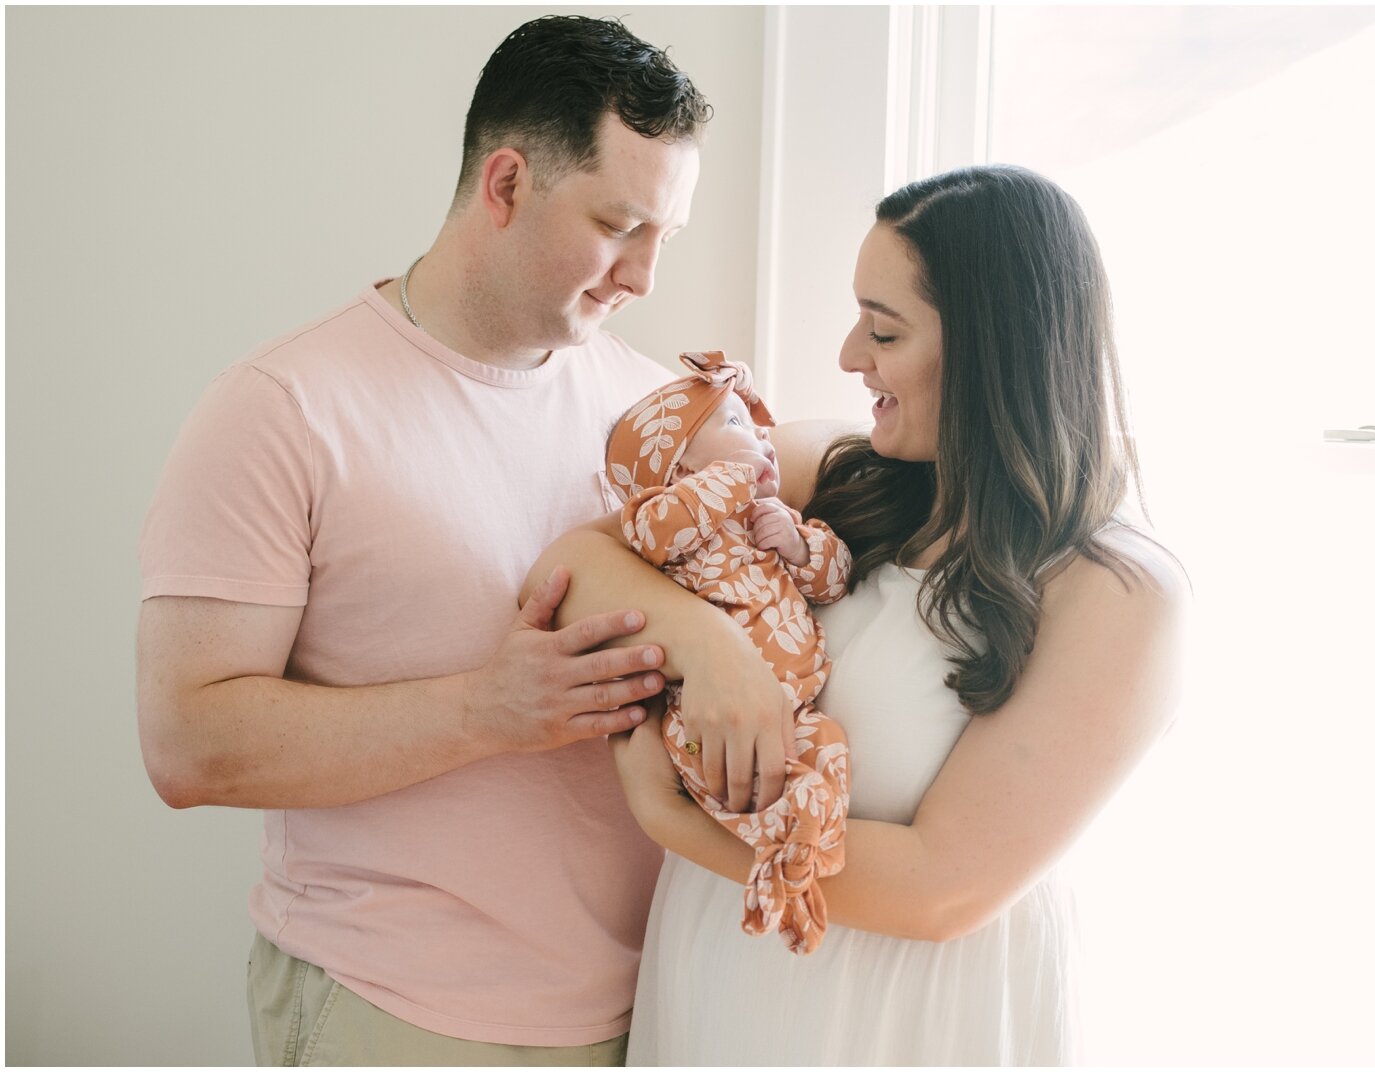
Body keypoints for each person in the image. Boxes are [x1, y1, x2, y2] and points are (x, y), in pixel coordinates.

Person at [134, 16, 783, 1066]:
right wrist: (484, 709)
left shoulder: (660, 414)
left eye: (666, 236)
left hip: (651, 1015)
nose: (644, 277)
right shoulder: (281, 407)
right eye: (620, 225)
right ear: (507, 182)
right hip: (397, 1012)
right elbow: (184, 745)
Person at [527, 164, 1189, 1065]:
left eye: (883, 328)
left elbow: (940, 889)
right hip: (724, 981)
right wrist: (713, 649)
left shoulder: (1116, 591)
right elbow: (574, 562)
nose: (847, 355)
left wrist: (669, 817)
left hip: (899, 1022)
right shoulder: (831, 476)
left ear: (995, 351)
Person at [599, 349, 852, 955]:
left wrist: (797, 545)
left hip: (795, 709)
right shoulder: (663, 521)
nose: (763, 437)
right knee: (737, 783)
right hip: (704, 717)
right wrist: (733, 477)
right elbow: (659, 533)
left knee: (830, 748)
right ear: (678, 463)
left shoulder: (773, 517)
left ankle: (797, 853)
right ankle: (776, 849)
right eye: (737, 425)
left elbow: (835, 579)